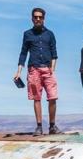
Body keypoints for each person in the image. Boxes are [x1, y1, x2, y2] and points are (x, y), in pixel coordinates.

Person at [15, 7, 60, 136]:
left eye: (40, 17)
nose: (38, 19)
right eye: (36, 17)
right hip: (33, 69)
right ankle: (39, 126)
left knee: (53, 97)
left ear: (44, 18)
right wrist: (19, 71)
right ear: (32, 18)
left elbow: (54, 53)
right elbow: (23, 53)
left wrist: (52, 68)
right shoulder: (27, 34)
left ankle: (52, 126)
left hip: (47, 70)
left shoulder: (50, 34)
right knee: (37, 98)